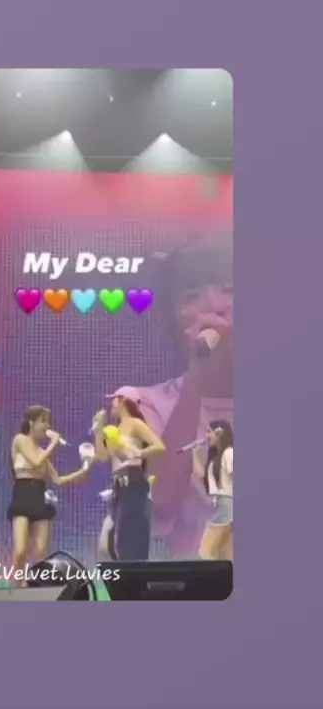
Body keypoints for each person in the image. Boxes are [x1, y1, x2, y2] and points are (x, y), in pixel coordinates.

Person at [129, 232, 233, 558]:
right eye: (192, 296)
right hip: (199, 582)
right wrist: (198, 369)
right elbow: (162, 501)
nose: (214, 305)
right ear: (172, 318)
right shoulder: (141, 405)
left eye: (229, 290)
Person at [7, 405, 91, 579]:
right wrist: (53, 443)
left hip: (39, 495)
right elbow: (36, 462)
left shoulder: (41, 451)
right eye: (43, 421)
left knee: (40, 553)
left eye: (48, 422)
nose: (47, 426)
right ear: (31, 423)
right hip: (22, 494)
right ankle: (17, 585)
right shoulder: (20, 440)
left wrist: (81, 473)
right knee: (21, 550)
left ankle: (37, 586)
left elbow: (57, 479)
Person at [92, 389, 166, 560]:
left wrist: (137, 453)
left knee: (128, 535)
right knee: (107, 542)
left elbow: (159, 446)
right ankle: (123, 569)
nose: (111, 404)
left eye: (114, 399)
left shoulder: (134, 423)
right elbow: (103, 456)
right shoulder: (114, 430)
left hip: (133, 480)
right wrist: (99, 430)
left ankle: (132, 570)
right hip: (118, 484)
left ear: (123, 400)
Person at [192, 421, 233, 560]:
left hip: (224, 503)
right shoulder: (218, 456)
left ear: (219, 432)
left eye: (209, 431)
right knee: (225, 551)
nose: (206, 435)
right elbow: (205, 478)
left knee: (205, 550)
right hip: (220, 503)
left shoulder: (229, 453)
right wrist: (195, 455)